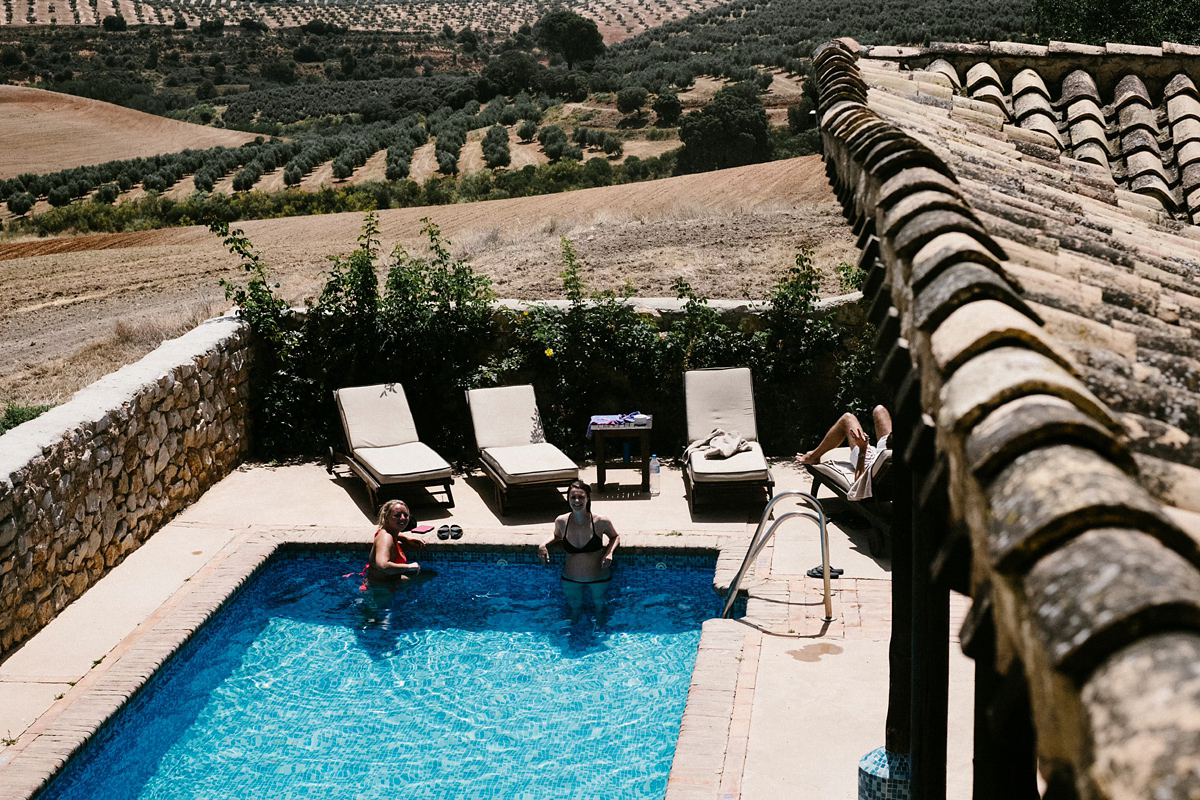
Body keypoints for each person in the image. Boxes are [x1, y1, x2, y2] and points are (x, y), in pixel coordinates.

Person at [538, 480, 619, 622]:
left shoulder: (600, 521)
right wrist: (543, 544)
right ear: (568, 498)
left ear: (588, 498)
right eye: (572, 497)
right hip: (570, 579)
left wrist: (609, 552)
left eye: (581, 497)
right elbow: (557, 535)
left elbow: (615, 537)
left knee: (600, 610)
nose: (577, 501)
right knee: (574, 612)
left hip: (598, 578)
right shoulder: (562, 521)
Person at [795, 405, 892, 497]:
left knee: (847, 418)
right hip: (889, 451)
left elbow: (860, 484)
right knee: (879, 410)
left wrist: (862, 449)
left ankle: (814, 456)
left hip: (869, 464)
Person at [366, 499, 425, 585]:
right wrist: (409, 567)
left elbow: (393, 533)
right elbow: (383, 565)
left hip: (387, 582)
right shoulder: (386, 538)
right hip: (381, 589)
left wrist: (406, 538)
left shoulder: (387, 531)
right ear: (386, 517)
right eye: (397, 515)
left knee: (428, 576)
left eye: (405, 515)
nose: (403, 518)